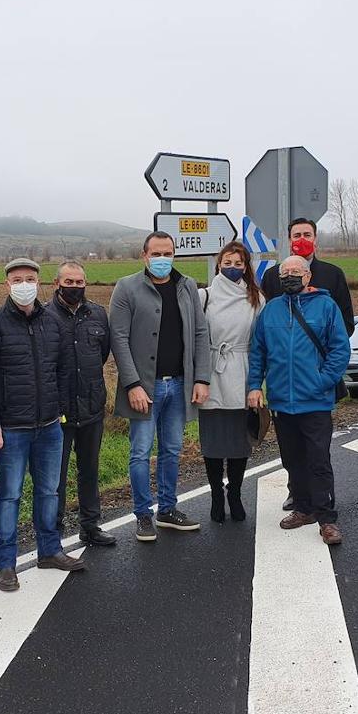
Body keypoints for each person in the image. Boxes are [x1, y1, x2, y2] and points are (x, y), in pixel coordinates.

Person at [0, 258, 84, 592]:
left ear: (39, 282)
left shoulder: (52, 323)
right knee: (10, 496)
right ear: (7, 284)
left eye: (30, 278)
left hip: (49, 426)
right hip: (11, 428)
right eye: (17, 279)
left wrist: (60, 408)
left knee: (50, 491)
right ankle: (6, 564)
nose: (24, 284)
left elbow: (62, 369)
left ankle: (49, 550)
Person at [110, 231, 211, 542]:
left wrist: (201, 378)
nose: (162, 259)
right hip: (145, 389)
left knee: (172, 450)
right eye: (156, 253)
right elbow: (119, 339)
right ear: (144, 256)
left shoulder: (187, 286)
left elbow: (199, 333)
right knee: (140, 452)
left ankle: (167, 510)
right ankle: (143, 514)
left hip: (179, 385)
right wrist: (133, 384)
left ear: (174, 255)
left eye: (167, 253)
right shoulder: (127, 288)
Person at [247, 255, 351, 544]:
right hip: (282, 400)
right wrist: (255, 386)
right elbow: (258, 353)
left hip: (315, 400)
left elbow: (340, 350)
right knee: (292, 459)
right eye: (285, 272)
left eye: (296, 271)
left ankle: (327, 519)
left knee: (318, 460)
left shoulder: (326, 306)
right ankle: (303, 508)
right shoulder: (270, 311)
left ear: (308, 276)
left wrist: (322, 381)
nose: (290, 275)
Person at [49, 261, 118, 547]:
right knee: (56, 476)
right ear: (57, 283)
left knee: (89, 470)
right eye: (69, 282)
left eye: (79, 282)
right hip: (58, 411)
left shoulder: (98, 314)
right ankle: (53, 531)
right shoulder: (45, 316)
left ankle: (90, 526)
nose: (75, 287)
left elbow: (102, 354)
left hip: (91, 406)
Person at [198, 241, 264, 523]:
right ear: (218, 264)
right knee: (213, 441)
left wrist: (256, 385)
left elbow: (260, 344)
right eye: (228, 262)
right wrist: (198, 379)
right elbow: (197, 340)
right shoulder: (205, 296)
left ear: (246, 266)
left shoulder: (257, 299)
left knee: (239, 441)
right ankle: (215, 495)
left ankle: (234, 493)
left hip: (243, 369)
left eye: (239, 263)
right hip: (211, 371)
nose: (233, 268)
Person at [260, 217, 355, 337]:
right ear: (290, 241)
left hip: (320, 352)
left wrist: (328, 349)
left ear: (315, 239)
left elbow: (345, 322)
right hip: (282, 351)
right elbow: (264, 320)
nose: (302, 239)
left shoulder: (333, 274)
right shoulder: (272, 276)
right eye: (297, 236)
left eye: (307, 235)